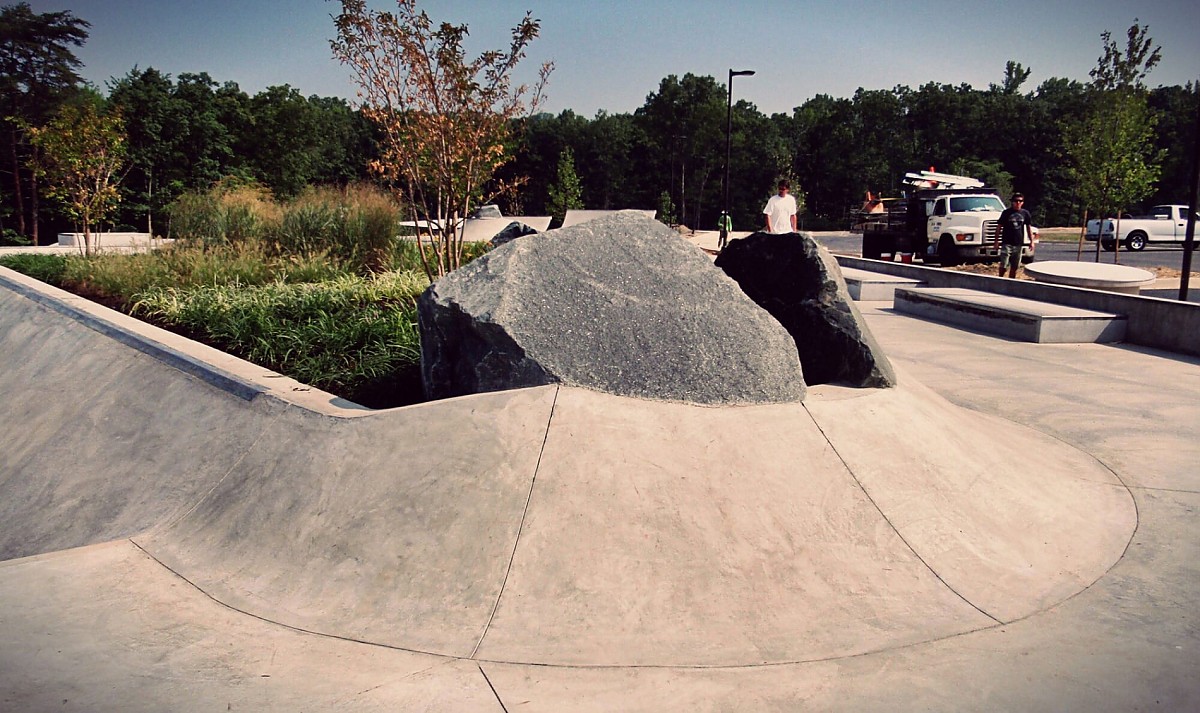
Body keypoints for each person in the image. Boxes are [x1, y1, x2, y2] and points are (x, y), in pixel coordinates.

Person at [997, 192, 1032, 278]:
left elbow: (1028, 228)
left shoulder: (1025, 213)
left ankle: (1011, 281)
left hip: (1018, 243)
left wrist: (1032, 241)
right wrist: (996, 241)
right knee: (1004, 264)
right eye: (1016, 201)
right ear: (1012, 202)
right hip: (1007, 242)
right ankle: (1000, 278)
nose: (1018, 203)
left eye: (1020, 201)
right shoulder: (1006, 213)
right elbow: (999, 227)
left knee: (1015, 265)